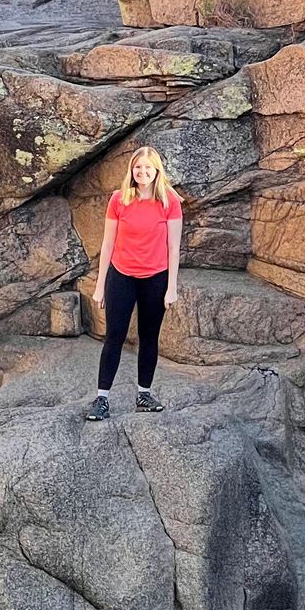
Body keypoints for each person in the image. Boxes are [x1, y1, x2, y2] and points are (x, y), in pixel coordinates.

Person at [85, 146, 183, 420]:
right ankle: (102, 399)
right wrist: (100, 284)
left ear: (156, 171)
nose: (142, 172)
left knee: (149, 338)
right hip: (122, 276)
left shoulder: (170, 202)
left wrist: (171, 287)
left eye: (147, 168)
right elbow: (107, 244)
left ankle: (144, 394)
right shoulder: (119, 199)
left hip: (156, 278)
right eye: (137, 167)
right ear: (131, 170)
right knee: (114, 337)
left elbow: (173, 247)